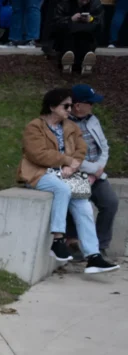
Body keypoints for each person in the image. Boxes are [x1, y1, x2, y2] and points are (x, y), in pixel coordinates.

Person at [17, 87, 118, 274]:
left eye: (71, 106)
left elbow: (81, 149)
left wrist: (73, 166)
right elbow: (37, 154)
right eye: (66, 106)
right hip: (39, 174)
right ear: (53, 106)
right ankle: (58, 240)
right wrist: (66, 161)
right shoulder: (35, 127)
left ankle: (93, 256)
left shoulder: (71, 127)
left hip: (67, 173)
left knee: (83, 204)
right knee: (63, 189)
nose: (70, 110)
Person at [68, 84, 117, 258]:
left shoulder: (92, 119)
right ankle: (72, 244)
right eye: (90, 102)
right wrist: (93, 169)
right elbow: (68, 155)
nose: (93, 106)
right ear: (78, 105)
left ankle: (101, 246)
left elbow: (104, 146)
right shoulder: (65, 124)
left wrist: (99, 168)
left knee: (110, 203)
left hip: (96, 173)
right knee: (79, 204)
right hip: (75, 172)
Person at [51, 0, 100, 74]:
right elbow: (56, 23)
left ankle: (86, 63)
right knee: (69, 40)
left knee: (86, 38)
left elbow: (99, 24)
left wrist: (91, 19)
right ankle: (67, 62)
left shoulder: (95, 4)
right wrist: (70, 19)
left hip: (86, 35)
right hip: (68, 35)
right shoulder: (64, 3)